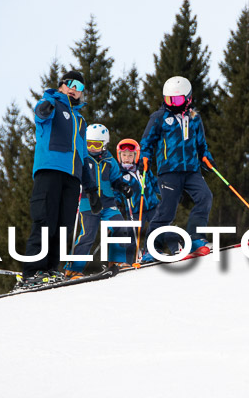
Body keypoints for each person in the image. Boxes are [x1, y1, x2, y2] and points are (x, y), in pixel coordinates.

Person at [17, 70, 99, 288]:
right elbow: (40, 115)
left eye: (80, 87)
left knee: (64, 225)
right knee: (45, 219)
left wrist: (90, 186)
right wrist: (45, 108)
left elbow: (83, 153)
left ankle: (51, 270)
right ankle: (33, 271)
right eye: (71, 84)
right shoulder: (51, 102)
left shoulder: (80, 120)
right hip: (50, 170)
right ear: (62, 85)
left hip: (72, 177)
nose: (75, 89)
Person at [139, 76, 216, 262]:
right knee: (167, 211)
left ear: (188, 98)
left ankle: (196, 237)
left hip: (191, 170)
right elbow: (147, 141)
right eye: (169, 100)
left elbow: (201, 144)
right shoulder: (159, 118)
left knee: (205, 197)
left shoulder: (194, 118)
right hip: (169, 171)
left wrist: (206, 157)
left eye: (177, 100)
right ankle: (151, 248)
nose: (173, 104)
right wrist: (144, 157)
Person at [63, 124, 134, 279]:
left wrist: (123, 187)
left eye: (96, 144)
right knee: (88, 234)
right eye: (89, 144)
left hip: (108, 202)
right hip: (88, 202)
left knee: (120, 226)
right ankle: (73, 269)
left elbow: (116, 179)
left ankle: (116, 261)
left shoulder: (109, 160)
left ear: (104, 145)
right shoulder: (82, 158)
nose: (92, 148)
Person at [112, 139, 160, 263]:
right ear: (119, 156)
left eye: (130, 155)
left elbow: (155, 184)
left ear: (136, 156)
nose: (127, 158)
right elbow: (117, 192)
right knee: (131, 236)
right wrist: (118, 204)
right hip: (135, 210)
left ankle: (150, 251)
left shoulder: (143, 169)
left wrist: (167, 193)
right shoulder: (119, 175)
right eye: (124, 155)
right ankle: (126, 262)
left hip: (152, 206)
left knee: (159, 227)